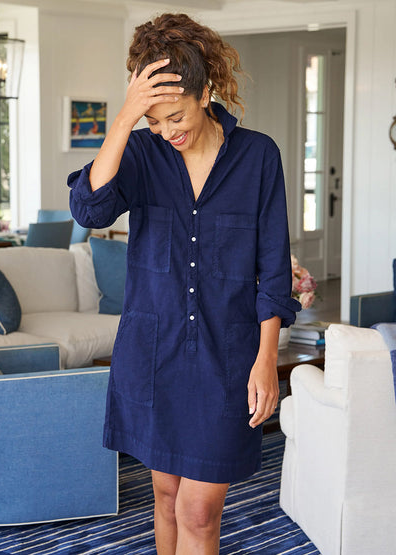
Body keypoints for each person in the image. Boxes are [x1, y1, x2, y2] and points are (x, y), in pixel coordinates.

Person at [68, 13, 301, 554]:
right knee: (166, 496)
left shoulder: (258, 157)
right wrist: (125, 122)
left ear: (205, 92)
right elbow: (87, 206)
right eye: (153, 120)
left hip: (227, 359)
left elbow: (272, 266)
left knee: (199, 512)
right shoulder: (142, 154)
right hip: (152, 357)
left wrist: (267, 359)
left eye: (174, 115)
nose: (167, 131)